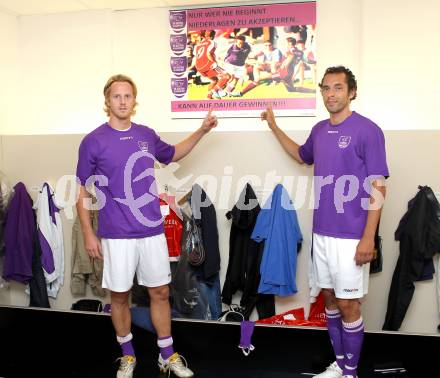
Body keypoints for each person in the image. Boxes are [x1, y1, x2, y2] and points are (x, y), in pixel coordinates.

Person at [76, 74, 218, 378]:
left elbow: (173, 154)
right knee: (119, 297)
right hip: (116, 234)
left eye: (128, 96)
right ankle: (127, 356)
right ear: (107, 101)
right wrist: (89, 232)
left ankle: (167, 354)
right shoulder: (93, 142)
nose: (123, 101)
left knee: (160, 293)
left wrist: (202, 130)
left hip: (151, 230)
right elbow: (83, 192)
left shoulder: (145, 135)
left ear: (134, 101)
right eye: (117, 96)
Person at [261, 66, 389, 378]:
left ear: (351, 92)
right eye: (326, 88)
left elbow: (378, 186)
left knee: (349, 306)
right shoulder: (319, 130)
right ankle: (341, 364)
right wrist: (275, 127)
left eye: (337, 88)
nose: (330, 94)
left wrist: (368, 237)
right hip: (322, 234)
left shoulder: (368, 130)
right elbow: (301, 155)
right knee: (329, 299)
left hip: (352, 236)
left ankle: (350, 372)